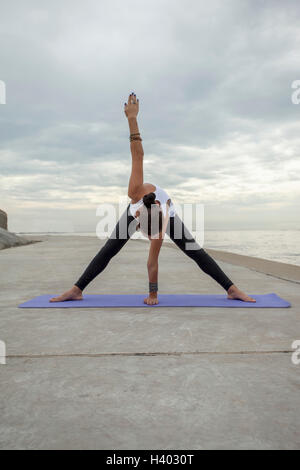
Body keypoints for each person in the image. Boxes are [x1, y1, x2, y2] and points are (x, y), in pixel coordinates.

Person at [50, 92, 256, 305]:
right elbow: (138, 154)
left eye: (151, 235)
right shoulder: (135, 191)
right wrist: (132, 118)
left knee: (194, 250)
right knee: (109, 249)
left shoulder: (163, 219)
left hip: (162, 213)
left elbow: (152, 263)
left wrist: (153, 295)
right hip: (145, 205)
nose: (149, 238)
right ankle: (76, 290)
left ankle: (232, 289)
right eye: (144, 232)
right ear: (137, 216)